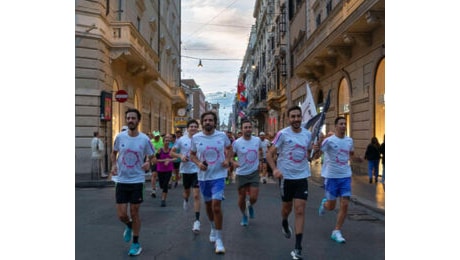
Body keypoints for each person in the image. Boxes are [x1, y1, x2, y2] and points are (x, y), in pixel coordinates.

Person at [265, 105, 317, 260]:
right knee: (286, 208)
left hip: (301, 177)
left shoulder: (307, 135)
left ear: (301, 118)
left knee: (300, 210)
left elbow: (309, 157)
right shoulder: (282, 134)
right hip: (286, 178)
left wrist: (316, 150)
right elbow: (269, 154)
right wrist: (274, 169)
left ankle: (298, 247)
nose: (296, 119)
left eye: (298, 116)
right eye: (293, 116)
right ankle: (284, 221)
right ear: (288, 119)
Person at [111, 108, 155, 256]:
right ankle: (129, 226)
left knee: (134, 212)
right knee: (122, 215)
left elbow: (152, 157)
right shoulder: (120, 137)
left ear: (138, 121)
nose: (130, 120)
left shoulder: (144, 139)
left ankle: (136, 243)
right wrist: (113, 165)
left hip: (137, 180)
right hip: (122, 180)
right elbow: (114, 152)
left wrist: (149, 163)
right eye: (128, 118)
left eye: (133, 118)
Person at [190, 111, 232, 254]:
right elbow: (192, 154)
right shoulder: (196, 138)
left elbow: (230, 148)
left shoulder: (222, 136)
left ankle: (219, 239)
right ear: (202, 122)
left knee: (216, 205)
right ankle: (213, 227)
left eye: (211, 120)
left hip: (219, 175)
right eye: (206, 120)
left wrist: (227, 160)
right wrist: (198, 163)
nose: (208, 122)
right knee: (208, 205)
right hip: (203, 177)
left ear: (215, 122)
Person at [318, 116, 363, 244]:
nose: (343, 126)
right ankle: (325, 203)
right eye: (341, 124)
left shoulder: (349, 141)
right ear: (336, 126)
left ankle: (336, 231)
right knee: (331, 207)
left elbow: (351, 155)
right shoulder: (329, 141)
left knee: (345, 204)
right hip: (331, 177)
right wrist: (317, 146)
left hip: (345, 176)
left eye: (345, 123)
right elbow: (317, 153)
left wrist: (358, 159)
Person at [170, 119, 202, 233]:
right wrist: (180, 155)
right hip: (186, 170)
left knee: (197, 195)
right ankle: (185, 199)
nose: (193, 128)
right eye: (191, 126)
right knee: (187, 191)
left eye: (195, 126)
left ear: (197, 128)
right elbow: (171, 152)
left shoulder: (201, 138)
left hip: (197, 170)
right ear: (187, 128)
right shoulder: (181, 140)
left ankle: (197, 221)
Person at [232, 118, 263, 226]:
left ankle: (249, 205)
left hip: (254, 172)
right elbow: (230, 157)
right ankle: (244, 215)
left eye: (250, 127)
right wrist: (234, 162)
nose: (248, 129)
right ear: (242, 129)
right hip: (241, 174)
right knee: (241, 198)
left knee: (254, 197)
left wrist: (259, 161)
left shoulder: (257, 140)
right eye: (246, 127)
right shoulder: (236, 143)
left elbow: (260, 151)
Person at [156, 134, 174, 207]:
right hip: (160, 169)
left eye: (169, 141)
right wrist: (164, 160)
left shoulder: (171, 150)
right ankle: (163, 192)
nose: (167, 142)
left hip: (168, 169)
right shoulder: (160, 150)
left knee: (165, 184)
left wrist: (169, 160)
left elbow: (176, 158)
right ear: (163, 142)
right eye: (166, 141)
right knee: (161, 185)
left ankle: (163, 200)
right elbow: (156, 160)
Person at [150, 131, 163, 198]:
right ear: (153, 136)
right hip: (154, 159)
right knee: (154, 174)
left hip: (162, 159)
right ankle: (153, 189)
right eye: (156, 136)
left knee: (161, 175)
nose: (157, 138)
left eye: (158, 136)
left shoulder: (162, 140)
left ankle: (163, 187)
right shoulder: (151, 142)